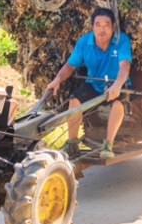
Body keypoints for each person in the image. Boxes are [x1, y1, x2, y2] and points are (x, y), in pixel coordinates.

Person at [45, 8, 132, 159]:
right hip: (94, 84)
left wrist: (117, 86)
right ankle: (72, 143)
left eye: (106, 25)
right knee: (74, 99)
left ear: (113, 27)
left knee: (118, 103)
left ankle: (108, 145)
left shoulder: (121, 40)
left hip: (117, 83)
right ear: (92, 27)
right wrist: (57, 80)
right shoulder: (84, 42)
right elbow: (70, 66)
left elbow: (125, 66)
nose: (102, 29)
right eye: (98, 25)